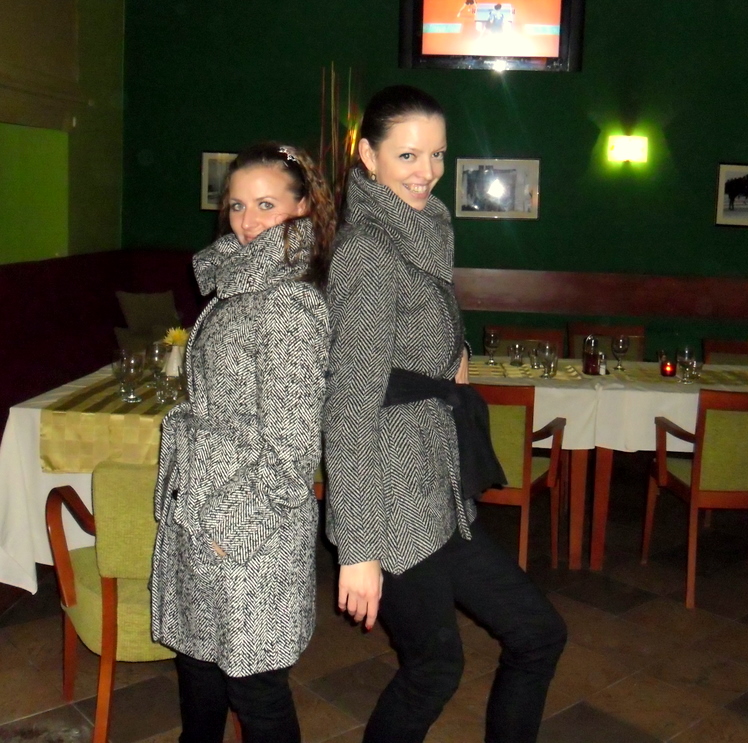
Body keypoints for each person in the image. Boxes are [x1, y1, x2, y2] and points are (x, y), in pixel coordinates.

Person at [324, 85, 566, 743]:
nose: (426, 170)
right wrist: (358, 549)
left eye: (436, 154)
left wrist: (452, 355)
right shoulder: (369, 251)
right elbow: (348, 408)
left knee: (537, 632)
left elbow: (410, 340)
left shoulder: (421, 229)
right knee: (434, 667)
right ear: (368, 156)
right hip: (391, 498)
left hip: (435, 484)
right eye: (407, 154)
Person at [150, 142, 335, 742]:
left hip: (246, 529)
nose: (248, 221)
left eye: (266, 205)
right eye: (236, 205)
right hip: (205, 510)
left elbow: (294, 452)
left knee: (255, 687)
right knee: (200, 665)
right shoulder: (240, 284)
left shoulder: (288, 303)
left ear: (302, 208)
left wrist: (232, 527)